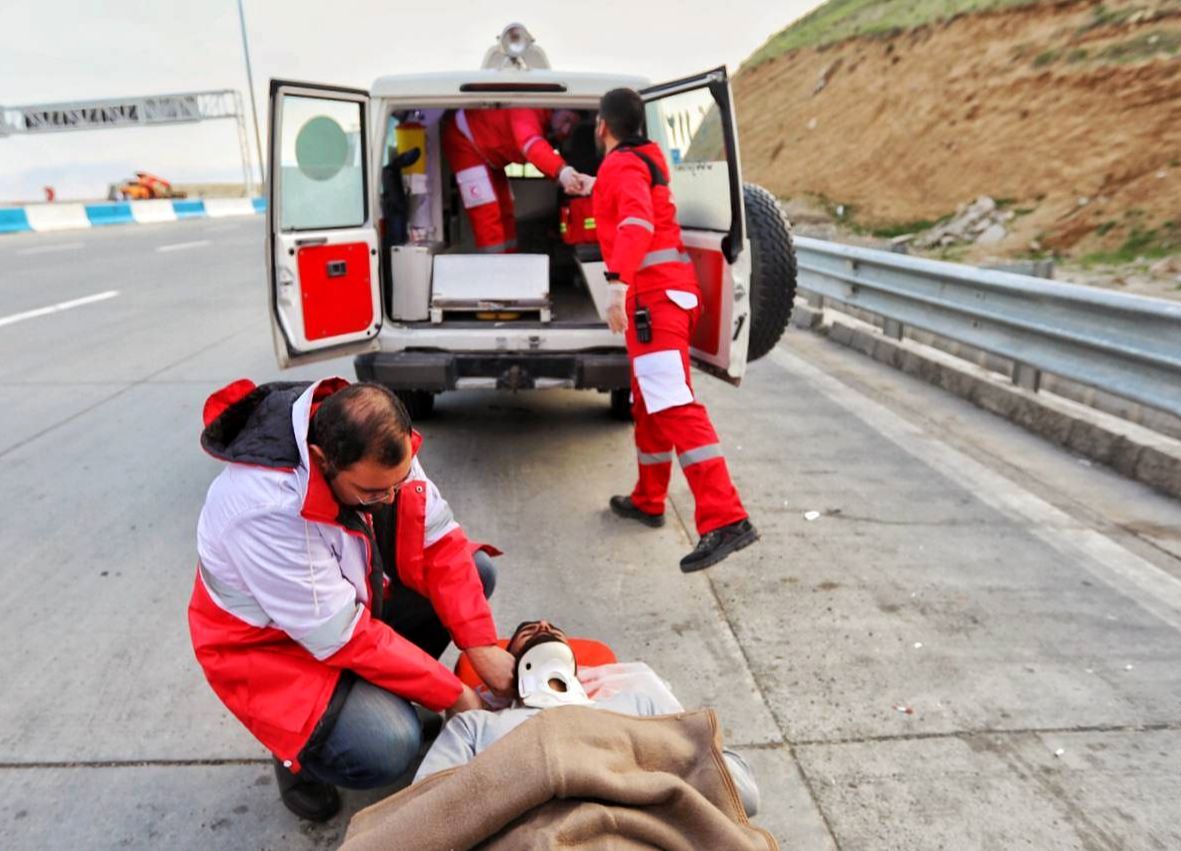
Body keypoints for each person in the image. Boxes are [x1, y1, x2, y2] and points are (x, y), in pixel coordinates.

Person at [187, 378, 515, 822]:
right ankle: (295, 757)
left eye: (398, 482)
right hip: (271, 650)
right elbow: (343, 637)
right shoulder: (262, 509)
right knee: (390, 743)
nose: (390, 498)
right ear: (323, 460)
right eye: (374, 492)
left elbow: (439, 544)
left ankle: (374, 699)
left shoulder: (376, 446)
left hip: (341, 609)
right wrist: (453, 693)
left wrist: (481, 645)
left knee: (475, 572)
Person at [591, 87, 758, 573]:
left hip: (652, 302)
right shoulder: (646, 159)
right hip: (671, 296)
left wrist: (617, 285)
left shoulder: (621, 166)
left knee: (673, 406)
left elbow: (637, 224)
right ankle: (648, 498)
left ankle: (726, 517)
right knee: (649, 403)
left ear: (603, 126)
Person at [413, 620, 760, 817]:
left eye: (552, 629)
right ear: (505, 670)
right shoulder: (476, 725)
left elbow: (742, 794)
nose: (543, 625)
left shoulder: (636, 702)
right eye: (528, 630)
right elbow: (422, 812)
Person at [442, 107, 588, 253]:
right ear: (556, 109)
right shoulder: (527, 111)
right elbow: (531, 145)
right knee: (487, 216)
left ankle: (511, 262)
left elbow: (537, 154)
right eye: (566, 120)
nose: (566, 130)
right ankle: (495, 271)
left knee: (506, 209)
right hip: (464, 142)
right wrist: (562, 171)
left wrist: (561, 178)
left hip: (491, 156)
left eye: (572, 126)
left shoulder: (543, 120)